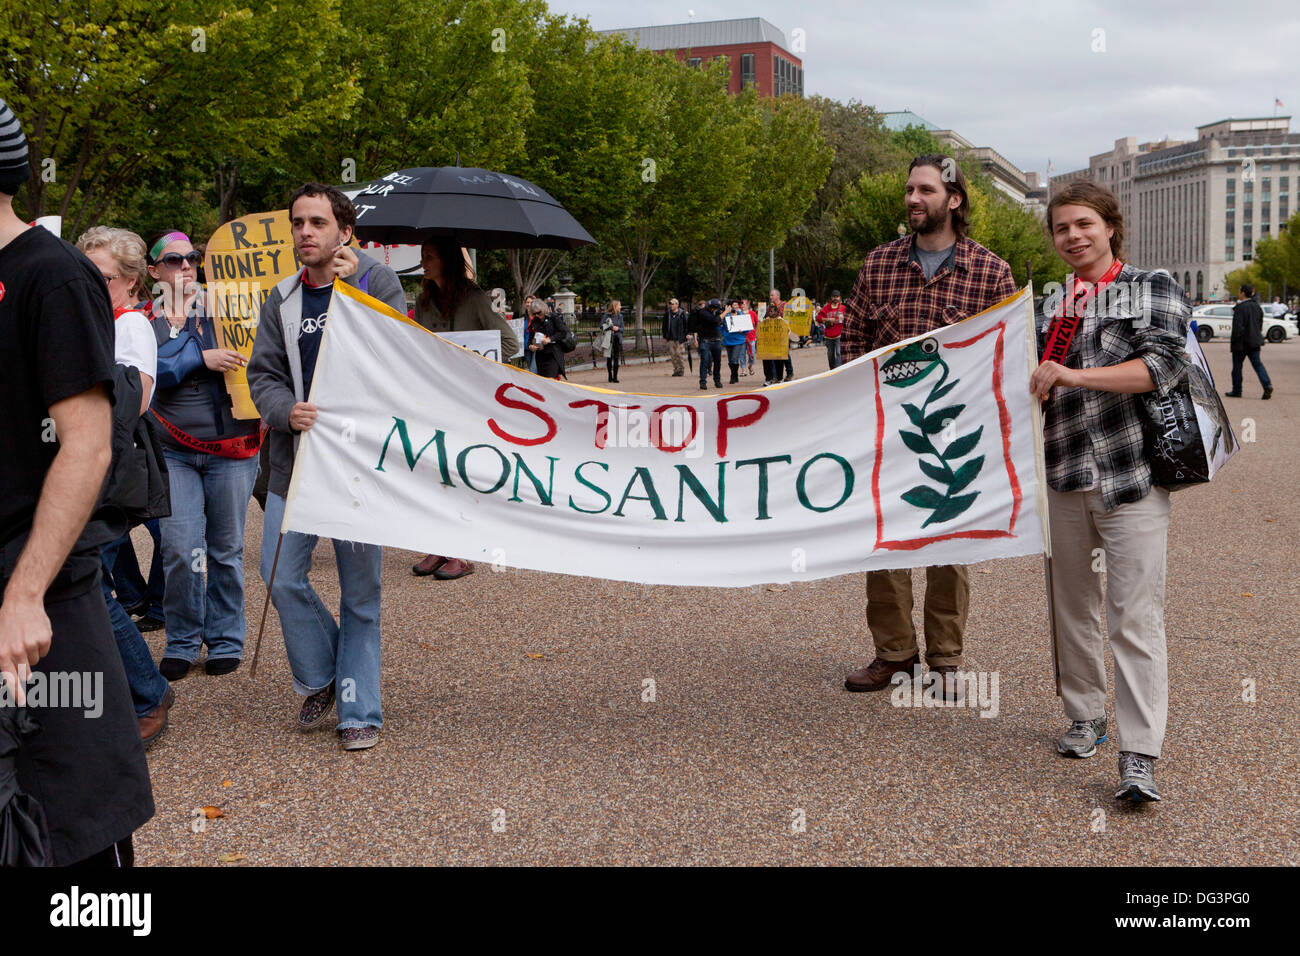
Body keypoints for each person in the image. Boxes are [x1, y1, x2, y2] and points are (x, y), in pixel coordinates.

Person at [0, 98, 154, 864]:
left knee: (76, 837)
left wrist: (24, 595)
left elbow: (87, 448)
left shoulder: (50, 277)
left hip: (43, 607)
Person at [1030, 181, 1190, 802]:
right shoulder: (1047, 306)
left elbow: (1163, 366)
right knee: (1071, 608)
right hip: (1064, 475)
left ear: (1110, 226)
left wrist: (1072, 373)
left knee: (1135, 615)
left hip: (1133, 478)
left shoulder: (1151, 287)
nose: (1072, 236)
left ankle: (1140, 753)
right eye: (1062, 228)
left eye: (1083, 224)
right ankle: (1085, 715)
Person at [841, 154, 1016, 698]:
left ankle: (945, 659)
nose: (912, 199)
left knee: (950, 541)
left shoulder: (992, 272)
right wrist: (846, 407)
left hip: (959, 431)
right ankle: (893, 653)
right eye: (908, 191)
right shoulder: (879, 264)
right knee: (886, 541)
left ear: (953, 199)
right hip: (887, 426)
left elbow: (1005, 355)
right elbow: (852, 339)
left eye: (924, 190)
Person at [247, 183, 406, 752]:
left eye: (318, 222)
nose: (305, 233)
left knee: (361, 595)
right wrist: (283, 410)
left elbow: (401, 351)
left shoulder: (376, 280)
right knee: (280, 573)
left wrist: (355, 286)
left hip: (359, 466)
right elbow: (261, 374)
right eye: (298, 223)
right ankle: (324, 676)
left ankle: (359, 708)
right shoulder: (282, 299)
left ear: (344, 231)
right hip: (297, 463)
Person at [145, 230, 262, 680]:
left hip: (232, 449)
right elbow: (148, 370)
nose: (187, 267)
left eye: (192, 258)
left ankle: (227, 638)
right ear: (154, 271)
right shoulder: (142, 319)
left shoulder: (228, 308)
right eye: (173, 261)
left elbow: (263, 353)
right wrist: (201, 356)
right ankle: (182, 640)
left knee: (226, 549)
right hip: (171, 452)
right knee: (178, 548)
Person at [76, 227, 174, 746]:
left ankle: (146, 690)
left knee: (89, 582)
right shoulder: (94, 320)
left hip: (103, 470)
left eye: (102, 276)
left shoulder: (131, 327)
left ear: (131, 281)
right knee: (89, 582)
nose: (90, 284)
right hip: (82, 465)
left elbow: (130, 407)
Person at [408, 237, 519, 580]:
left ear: (446, 260)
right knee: (434, 470)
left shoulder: (474, 298)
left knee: (462, 471)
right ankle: (441, 546)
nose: (423, 263)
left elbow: (510, 343)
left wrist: (469, 353)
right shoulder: (424, 301)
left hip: (468, 402)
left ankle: (465, 552)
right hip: (436, 399)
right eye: (422, 256)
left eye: (429, 257)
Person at [1224, 283, 1272, 400]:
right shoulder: (1257, 306)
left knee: (1237, 367)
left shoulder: (1240, 308)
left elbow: (1238, 327)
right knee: (1258, 364)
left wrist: (1235, 341)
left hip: (1241, 343)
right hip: (1255, 341)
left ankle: (1237, 390)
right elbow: (1259, 323)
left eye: (1240, 291)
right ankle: (1267, 384)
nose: (1238, 293)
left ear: (1243, 293)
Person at [525, 298, 571, 380]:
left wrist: (550, 339)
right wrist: (530, 346)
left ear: (543, 309)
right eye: (534, 314)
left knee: (550, 379)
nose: (536, 315)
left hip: (553, 354)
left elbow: (563, 332)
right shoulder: (535, 321)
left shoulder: (553, 317)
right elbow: (530, 339)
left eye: (538, 313)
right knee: (543, 381)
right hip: (540, 356)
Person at [690, 298, 724, 389]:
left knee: (717, 362)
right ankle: (703, 382)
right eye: (713, 307)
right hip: (705, 340)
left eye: (715, 308)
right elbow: (714, 320)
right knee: (704, 361)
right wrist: (725, 313)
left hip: (716, 339)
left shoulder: (716, 312)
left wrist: (721, 312)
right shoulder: (703, 312)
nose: (714, 309)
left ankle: (717, 380)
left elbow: (718, 321)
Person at [769, 289, 795, 382]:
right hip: (773, 335)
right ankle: (776, 376)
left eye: (772, 295)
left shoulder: (785, 305)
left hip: (783, 333)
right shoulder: (771, 306)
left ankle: (789, 373)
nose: (770, 297)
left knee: (785, 354)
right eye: (770, 295)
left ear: (777, 296)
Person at [721, 299, 748, 384]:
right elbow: (721, 327)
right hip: (728, 340)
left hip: (739, 340)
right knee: (730, 361)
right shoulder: (726, 316)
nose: (735, 307)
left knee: (734, 359)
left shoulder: (742, 315)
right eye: (733, 305)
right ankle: (735, 374)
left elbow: (747, 329)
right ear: (730, 306)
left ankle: (733, 376)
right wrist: (724, 333)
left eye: (737, 305)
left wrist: (742, 330)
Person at [818, 290, 847, 369]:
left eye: (837, 297)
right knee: (830, 355)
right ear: (831, 297)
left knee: (838, 353)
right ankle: (832, 370)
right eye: (834, 297)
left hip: (839, 334)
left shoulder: (843, 308)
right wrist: (828, 319)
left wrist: (844, 319)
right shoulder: (826, 307)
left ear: (839, 298)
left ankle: (838, 370)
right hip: (828, 336)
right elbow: (818, 318)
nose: (835, 298)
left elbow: (848, 319)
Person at [662, 297, 689, 376]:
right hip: (670, 337)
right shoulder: (668, 314)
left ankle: (681, 369)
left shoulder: (682, 313)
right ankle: (676, 369)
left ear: (677, 305)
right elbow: (664, 325)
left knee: (679, 354)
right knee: (673, 355)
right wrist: (665, 336)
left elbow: (686, 324)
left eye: (673, 304)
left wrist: (687, 333)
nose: (671, 306)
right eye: (670, 304)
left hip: (679, 338)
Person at [600, 299, 623, 383]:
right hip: (609, 339)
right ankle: (610, 375)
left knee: (616, 358)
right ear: (615, 306)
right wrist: (611, 327)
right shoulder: (607, 315)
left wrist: (618, 328)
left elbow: (622, 328)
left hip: (617, 338)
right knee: (609, 358)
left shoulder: (620, 316)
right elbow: (601, 326)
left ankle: (615, 377)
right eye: (619, 305)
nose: (620, 307)